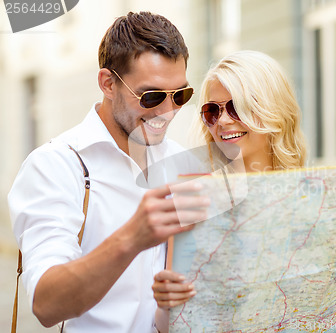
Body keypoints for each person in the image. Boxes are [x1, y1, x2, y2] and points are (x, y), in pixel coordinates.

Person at [152, 50, 336, 332]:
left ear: (273, 109)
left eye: (237, 107)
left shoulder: (323, 201)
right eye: (212, 110)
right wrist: (165, 304)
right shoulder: (192, 201)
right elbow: (168, 324)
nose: (222, 122)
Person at [8, 12, 209, 332]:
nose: (167, 111)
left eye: (180, 95)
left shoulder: (185, 165)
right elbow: (46, 306)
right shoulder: (55, 166)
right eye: (152, 96)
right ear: (108, 83)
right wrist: (132, 237)